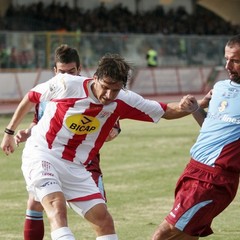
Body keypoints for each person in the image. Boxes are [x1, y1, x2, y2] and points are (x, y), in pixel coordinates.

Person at [1, 53, 205, 240]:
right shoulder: (66, 84)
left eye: (115, 90)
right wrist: (9, 132)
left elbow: (166, 111)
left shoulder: (124, 100)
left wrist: (186, 106)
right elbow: (31, 96)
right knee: (56, 207)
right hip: (41, 153)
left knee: (103, 220)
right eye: (105, 87)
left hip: (75, 166)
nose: (108, 94)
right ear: (95, 77)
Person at [14, 45, 120, 240]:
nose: (67, 76)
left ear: (79, 69)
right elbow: (38, 122)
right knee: (37, 203)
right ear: (55, 71)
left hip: (84, 162)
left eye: (72, 71)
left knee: (99, 215)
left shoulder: (96, 93)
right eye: (62, 72)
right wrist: (26, 133)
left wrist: (96, 133)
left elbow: (113, 129)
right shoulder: (47, 91)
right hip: (49, 156)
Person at [151, 34, 240, 240]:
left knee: (162, 235)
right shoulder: (219, 88)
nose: (228, 65)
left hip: (214, 179)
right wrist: (194, 109)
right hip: (193, 169)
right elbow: (209, 125)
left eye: (235, 60)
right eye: (226, 58)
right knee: (187, 235)